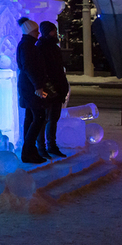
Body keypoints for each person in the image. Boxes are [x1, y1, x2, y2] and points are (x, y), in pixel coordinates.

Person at [16, 17, 49, 164]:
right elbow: (29, 67)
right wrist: (38, 86)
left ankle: (30, 151)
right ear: (29, 31)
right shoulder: (27, 46)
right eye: (36, 31)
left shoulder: (27, 45)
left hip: (28, 87)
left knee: (31, 118)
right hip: (30, 88)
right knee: (39, 117)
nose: (38, 34)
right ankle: (27, 151)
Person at [36, 21, 69, 158]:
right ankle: (41, 146)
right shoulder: (41, 47)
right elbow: (41, 69)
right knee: (43, 119)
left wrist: (62, 86)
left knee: (53, 118)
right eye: (52, 31)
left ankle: (52, 145)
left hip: (58, 87)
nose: (55, 33)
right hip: (48, 89)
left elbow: (59, 69)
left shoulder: (55, 48)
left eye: (55, 30)